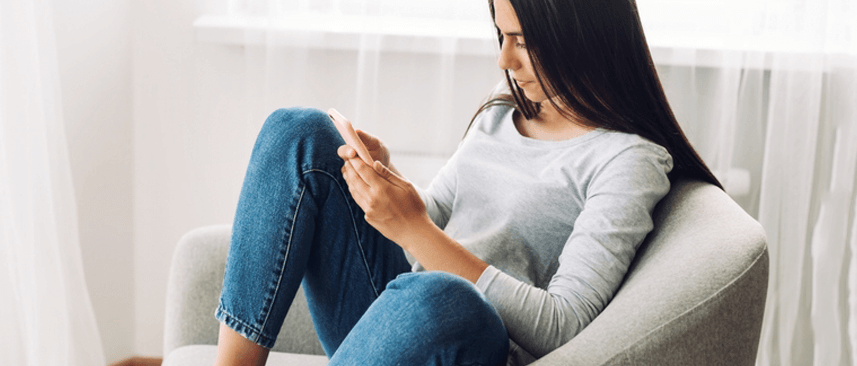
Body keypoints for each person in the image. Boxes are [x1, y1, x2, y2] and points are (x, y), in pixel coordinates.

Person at [211, 0, 724, 365]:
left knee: (442, 296)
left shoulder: (627, 160)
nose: (505, 59)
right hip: (395, 317)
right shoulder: (503, 112)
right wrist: (383, 185)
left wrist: (414, 229)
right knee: (297, 133)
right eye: (503, 36)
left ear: (581, 36)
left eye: (522, 41)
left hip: (463, 337)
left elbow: (564, 325)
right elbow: (435, 219)